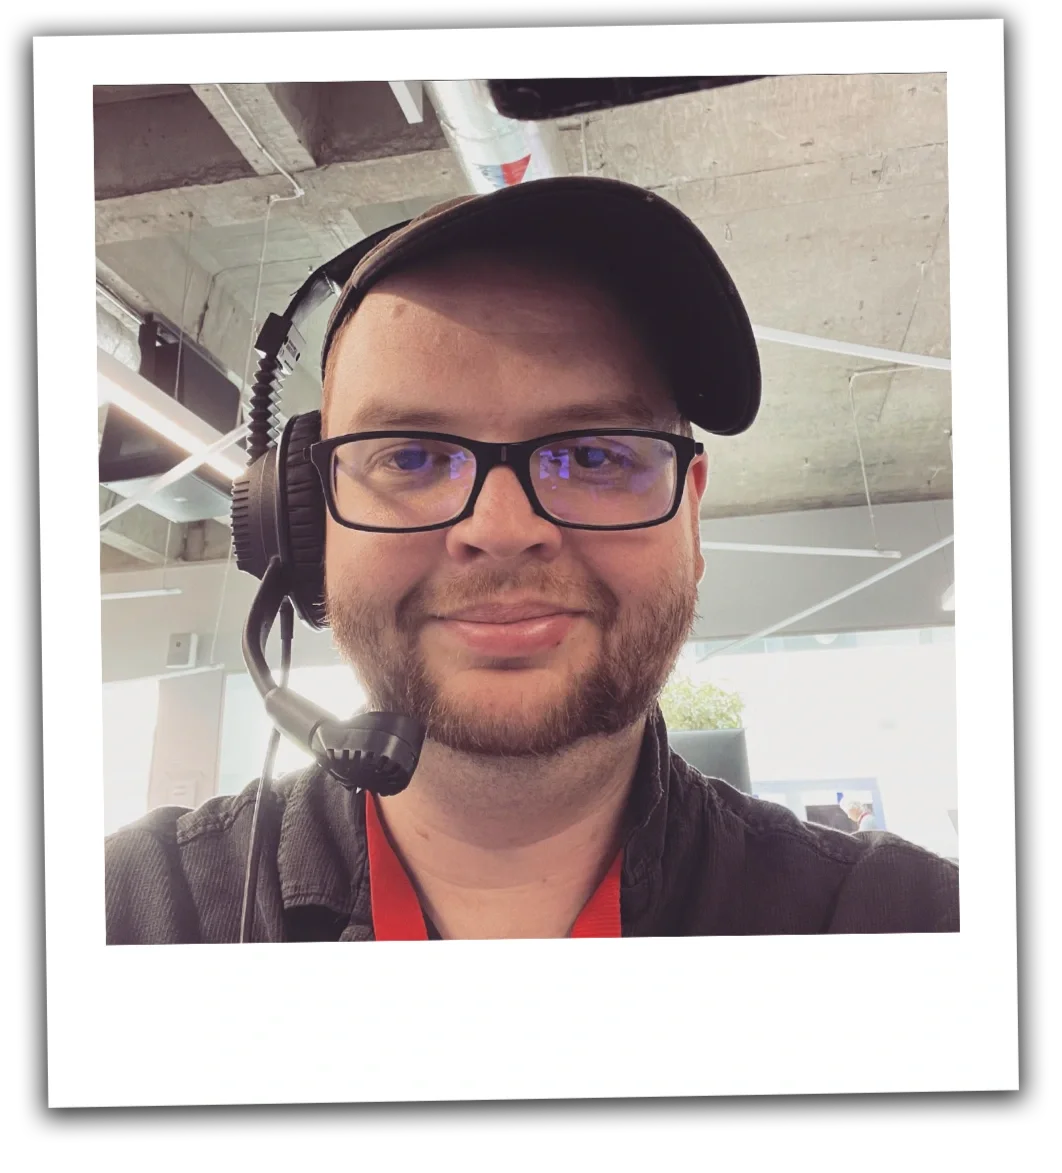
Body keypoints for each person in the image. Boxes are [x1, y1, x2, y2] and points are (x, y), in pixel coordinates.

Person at [104, 176, 959, 942]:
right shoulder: (126, 919)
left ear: (691, 519)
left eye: (592, 454)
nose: (504, 528)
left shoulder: (905, 925)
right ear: (304, 525)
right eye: (411, 456)